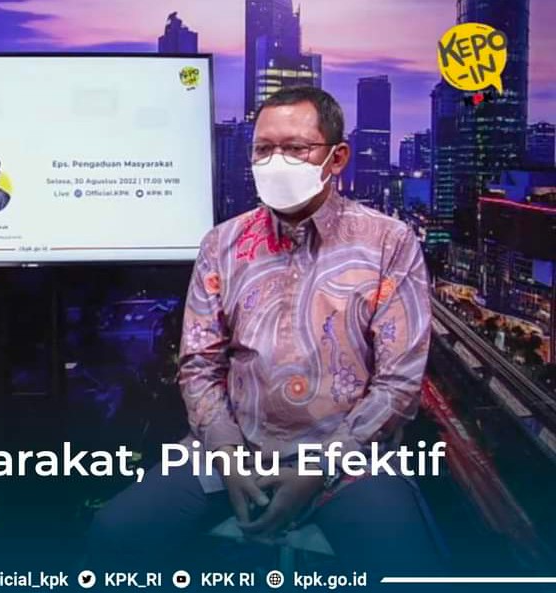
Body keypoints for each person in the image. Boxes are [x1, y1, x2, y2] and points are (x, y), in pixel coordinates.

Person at [89, 86, 442, 576]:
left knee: (406, 566)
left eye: (296, 149)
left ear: (337, 157)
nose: (276, 162)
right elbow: (198, 365)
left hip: (351, 459)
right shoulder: (222, 244)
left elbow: (398, 382)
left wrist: (319, 468)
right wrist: (227, 454)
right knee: (114, 532)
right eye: (264, 149)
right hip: (232, 450)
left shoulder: (389, 242)